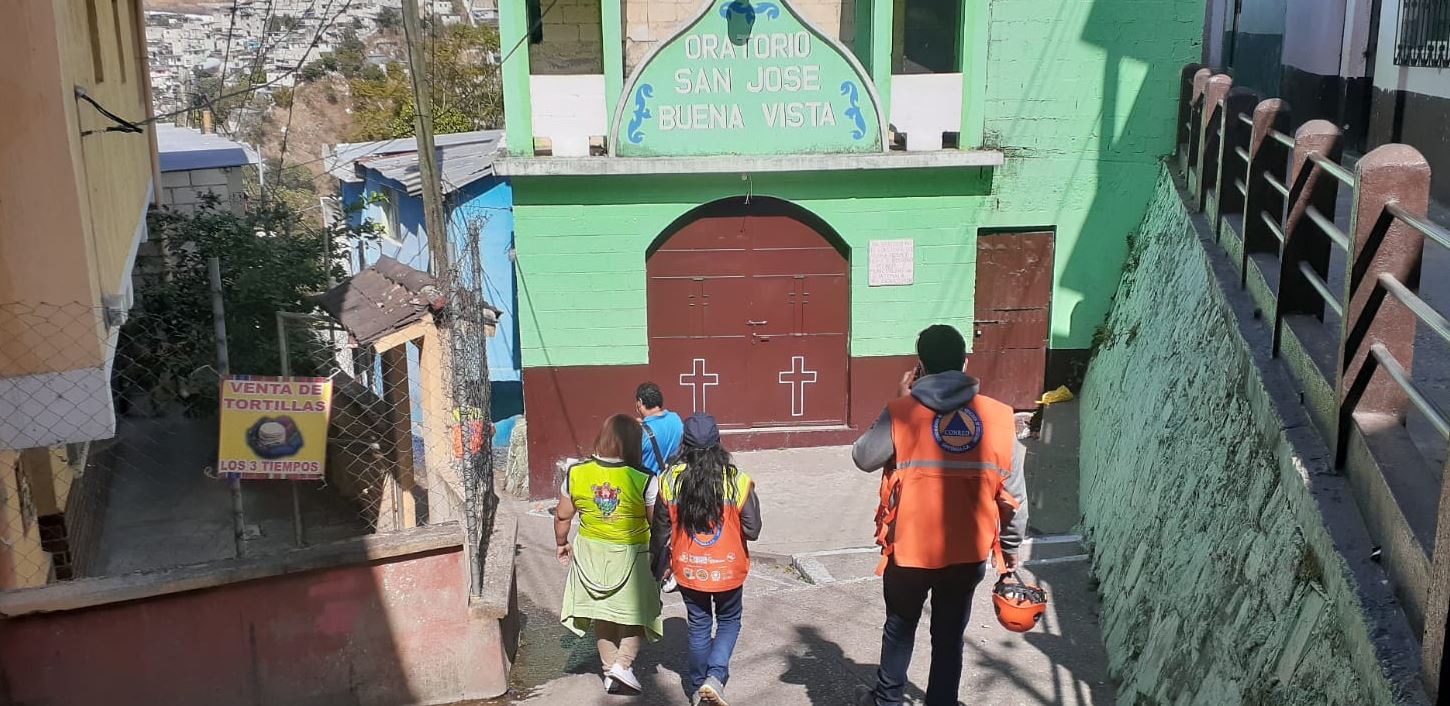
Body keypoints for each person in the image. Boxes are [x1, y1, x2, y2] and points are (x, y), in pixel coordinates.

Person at [851, 324, 1029, 706]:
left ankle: (887, 699)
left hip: (909, 550)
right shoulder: (999, 418)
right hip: (967, 551)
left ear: (920, 367)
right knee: (948, 637)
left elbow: (864, 457)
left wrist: (895, 405)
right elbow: (1014, 500)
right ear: (965, 361)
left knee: (899, 628)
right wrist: (1010, 561)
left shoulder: (904, 411)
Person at [651, 412, 760, 706]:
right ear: (718, 444)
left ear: (683, 445)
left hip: (689, 569)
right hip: (728, 568)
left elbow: (659, 531)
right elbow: (753, 529)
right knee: (729, 620)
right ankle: (715, 677)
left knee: (698, 625)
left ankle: (699, 687)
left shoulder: (669, 481)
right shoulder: (737, 481)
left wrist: (657, 567)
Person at [556, 414, 664, 695]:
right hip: (632, 554)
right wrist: (664, 554)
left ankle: (609, 670)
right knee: (637, 613)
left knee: (601, 612)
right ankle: (623, 665)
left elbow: (562, 515)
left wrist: (561, 542)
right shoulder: (644, 478)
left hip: (591, 552)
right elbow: (656, 523)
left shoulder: (576, 472)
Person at [636, 382, 684, 476]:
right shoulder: (676, 419)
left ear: (640, 402)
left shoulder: (640, 433)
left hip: (651, 487)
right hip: (671, 485)